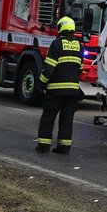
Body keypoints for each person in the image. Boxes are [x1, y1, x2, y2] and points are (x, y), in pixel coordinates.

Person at [35, 16, 84, 155]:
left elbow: (49, 68)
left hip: (55, 91)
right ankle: (64, 148)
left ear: (60, 28)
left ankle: (43, 146)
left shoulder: (56, 44)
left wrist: (41, 83)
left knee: (48, 118)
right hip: (73, 92)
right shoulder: (79, 45)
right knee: (67, 120)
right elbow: (80, 69)